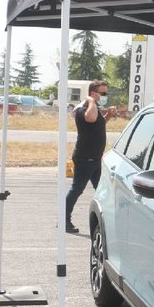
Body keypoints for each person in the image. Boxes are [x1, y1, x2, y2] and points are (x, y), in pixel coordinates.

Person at [65, 79, 116, 233]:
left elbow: (97, 124)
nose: (105, 96)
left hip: (95, 159)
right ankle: (64, 220)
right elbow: (91, 118)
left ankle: (109, 221)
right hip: (85, 158)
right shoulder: (83, 109)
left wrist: (108, 115)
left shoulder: (94, 109)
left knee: (102, 190)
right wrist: (90, 100)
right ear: (93, 93)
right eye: (103, 93)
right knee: (77, 189)